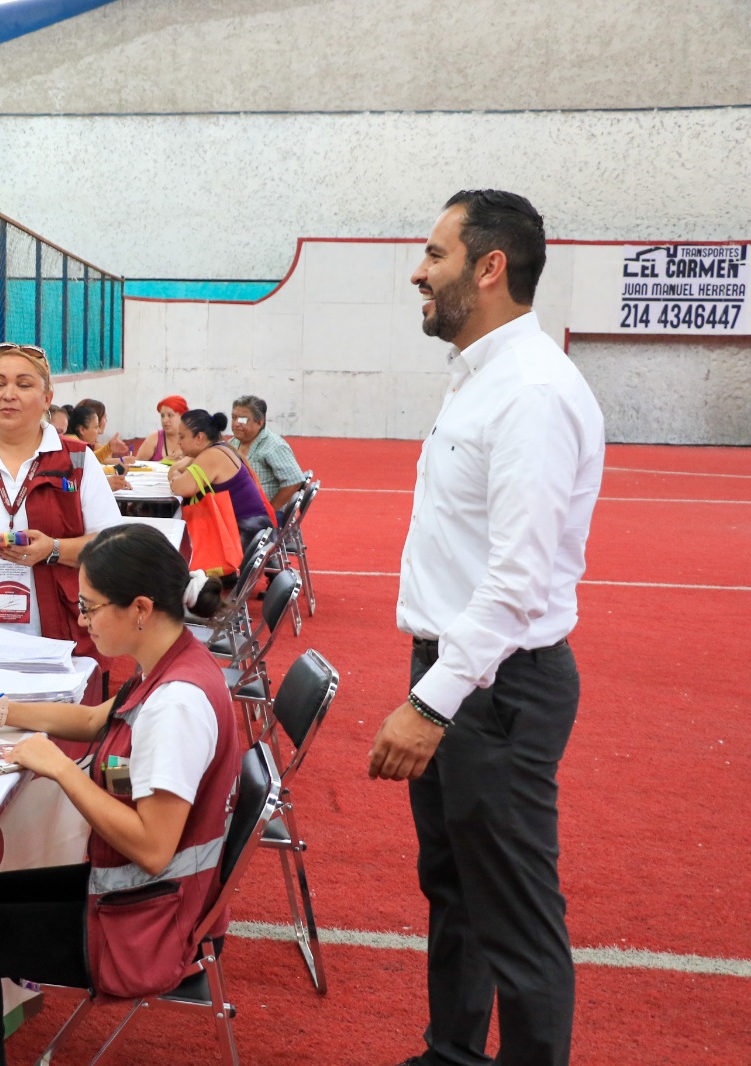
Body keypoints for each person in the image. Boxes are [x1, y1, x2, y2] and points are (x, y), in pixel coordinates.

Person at [369, 190, 604, 1066]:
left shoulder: (533, 392)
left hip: (493, 688)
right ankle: (453, 1054)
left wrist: (430, 706)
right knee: (456, 891)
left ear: (489, 266)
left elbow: (517, 580)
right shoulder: (481, 377)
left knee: (513, 913)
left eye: (434, 253)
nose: (418, 270)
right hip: (462, 676)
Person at [0, 525, 241, 1066]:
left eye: (89, 608)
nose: (83, 621)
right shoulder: (173, 662)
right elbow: (93, 719)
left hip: (147, 924)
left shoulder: (175, 705)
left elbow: (154, 848)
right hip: (144, 896)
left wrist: (63, 771)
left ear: (139, 608)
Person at [0, 343, 121, 667]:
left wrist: (53, 549)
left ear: (47, 398)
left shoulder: (77, 460)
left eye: (24, 384)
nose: (8, 394)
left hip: (63, 644)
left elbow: (111, 545)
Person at [168, 408, 275, 547]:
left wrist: (177, 476)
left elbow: (180, 487)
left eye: (182, 437)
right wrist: (180, 472)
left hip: (245, 536)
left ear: (199, 437)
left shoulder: (213, 455)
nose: (178, 442)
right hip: (253, 531)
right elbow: (174, 470)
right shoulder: (222, 448)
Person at [229, 394, 306, 518]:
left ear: (260, 422)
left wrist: (268, 511)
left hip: (263, 517)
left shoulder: (274, 446)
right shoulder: (232, 443)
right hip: (241, 511)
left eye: (243, 419)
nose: (236, 424)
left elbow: (294, 481)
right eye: (234, 418)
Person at [64, 406, 131, 491]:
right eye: (96, 427)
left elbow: (90, 460)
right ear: (82, 429)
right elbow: (71, 486)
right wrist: (109, 478)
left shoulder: (77, 445)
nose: (99, 431)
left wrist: (108, 448)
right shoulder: (73, 445)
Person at [134, 394, 187, 462]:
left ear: (182, 416)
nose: (165, 420)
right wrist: (162, 462)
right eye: (162, 416)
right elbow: (136, 466)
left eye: (170, 415)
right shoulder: (154, 438)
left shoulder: (192, 439)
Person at [74, 397, 130, 461]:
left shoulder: (93, 446)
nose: (106, 420)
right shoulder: (74, 446)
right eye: (104, 417)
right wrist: (122, 461)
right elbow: (94, 461)